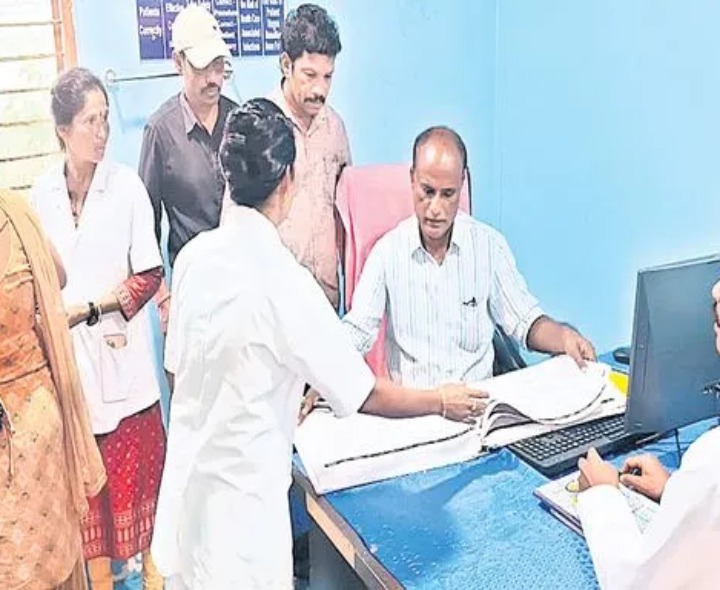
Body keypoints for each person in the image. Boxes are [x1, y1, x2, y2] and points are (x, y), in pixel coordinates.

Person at [151, 99, 486, 589]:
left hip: (186, 503)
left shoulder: (193, 261)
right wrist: (441, 401)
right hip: (243, 528)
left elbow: (178, 371)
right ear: (288, 181)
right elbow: (363, 392)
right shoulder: (285, 281)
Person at [30, 68, 166, 590]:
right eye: (91, 121)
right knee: (89, 509)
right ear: (63, 130)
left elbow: (149, 275)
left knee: (144, 505)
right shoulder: (41, 195)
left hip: (124, 367)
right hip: (73, 376)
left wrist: (92, 308)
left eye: (106, 118)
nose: (103, 131)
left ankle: (154, 579)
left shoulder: (127, 187)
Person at [341, 126, 595, 389]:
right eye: (427, 191)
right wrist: (325, 372)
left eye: (447, 194)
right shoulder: (386, 253)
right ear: (412, 179)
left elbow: (526, 322)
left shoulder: (488, 247)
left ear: (462, 183)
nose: (435, 208)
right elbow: (359, 330)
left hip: (478, 406)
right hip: (416, 407)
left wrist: (564, 338)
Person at [575, 282, 720, 590]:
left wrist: (602, 496)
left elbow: (635, 583)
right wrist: (679, 493)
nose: (716, 291)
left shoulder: (711, 460)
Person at [0, 189, 106, 590]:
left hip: (25, 427)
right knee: (53, 561)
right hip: (38, 412)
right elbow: (57, 276)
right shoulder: (16, 214)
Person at [138, 4, 236, 329]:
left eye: (218, 66)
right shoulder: (160, 131)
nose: (213, 79)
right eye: (202, 68)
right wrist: (162, 297)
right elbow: (146, 224)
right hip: (191, 291)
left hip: (239, 287)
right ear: (177, 62)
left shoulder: (238, 120)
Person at [268, 3, 352, 309]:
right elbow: (236, 221)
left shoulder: (335, 128)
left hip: (327, 298)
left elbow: (346, 213)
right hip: (276, 299)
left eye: (328, 77)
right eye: (310, 75)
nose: (320, 89)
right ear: (286, 65)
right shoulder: (261, 126)